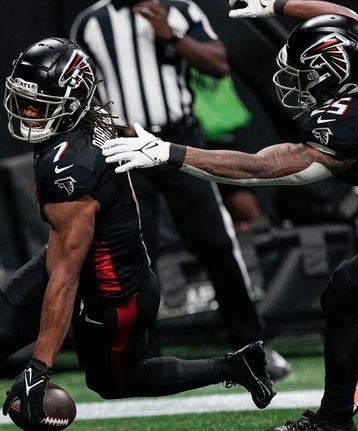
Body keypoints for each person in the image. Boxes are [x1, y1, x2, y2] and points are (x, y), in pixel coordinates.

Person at [102, 1, 358, 429]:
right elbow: (344, 14)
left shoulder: (351, 121)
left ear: (334, 73)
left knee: (345, 295)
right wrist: (275, 5)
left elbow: (261, 168)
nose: (299, 85)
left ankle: (333, 422)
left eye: (307, 76)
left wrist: (169, 152)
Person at [0, 37, 274, 431]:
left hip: (113, 290)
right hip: (70, 259)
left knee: (115, 382)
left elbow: (67, 278)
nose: (28, 113)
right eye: (23, 101)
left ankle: (237, 365)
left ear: (71, 104)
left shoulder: (72, 168)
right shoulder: (87, 124)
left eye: (41, 104)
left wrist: (40, 366)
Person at [70, 0, 291, 379]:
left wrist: (170, 35)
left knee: (217, 243)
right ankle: (140, 354)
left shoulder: (179, 10)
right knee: (134, 252)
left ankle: (252, 344)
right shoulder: (91, 22)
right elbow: (79, 91)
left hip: (177, 142)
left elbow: (219, 63)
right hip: (122, 145)